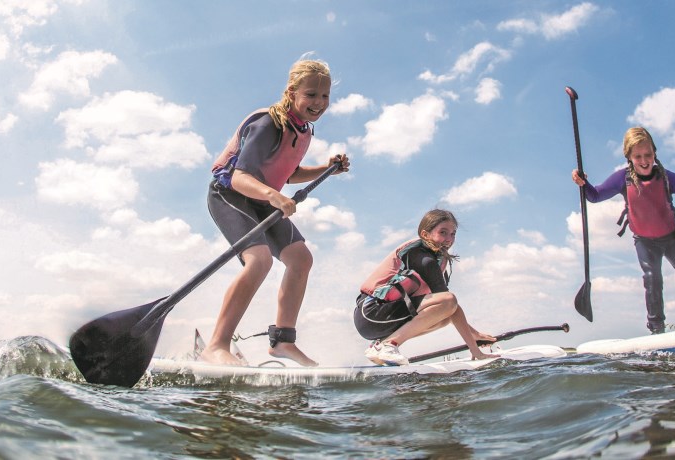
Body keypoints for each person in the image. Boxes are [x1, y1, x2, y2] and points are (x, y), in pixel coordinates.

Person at [200, 58, 350, 366]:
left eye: (324, 96)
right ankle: (216, 346)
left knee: (301, 259)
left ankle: (283, 342)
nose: (319, 102)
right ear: (292, 92)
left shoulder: (302, 130)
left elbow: (288, 173)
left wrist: (326, 169)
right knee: (259, 261)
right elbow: (240, 177)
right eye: (311, 94)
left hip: (263, 199)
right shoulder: (268, 123)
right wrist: (274, 195)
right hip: (231, 195)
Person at [571, 126, 675, 334]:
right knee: (652, 277)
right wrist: (583, 183)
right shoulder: (622, 179)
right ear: (629, 157)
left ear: (654, 153)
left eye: (648, 154)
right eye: (638, 156)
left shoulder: (666, 177)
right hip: (645, 242)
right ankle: (656, 329)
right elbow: (595, 196)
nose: (644, 160)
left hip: (673, 237)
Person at [354, 209, 497, 365]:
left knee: (445, 317)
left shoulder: (434, 258)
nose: (449, 239)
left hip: (377, 319)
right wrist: (474, 345)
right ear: (425, 234)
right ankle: (390, 345)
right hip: (371, 313)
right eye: (443, 232)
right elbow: (449, 303)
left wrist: (474, 340)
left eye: (453, 234)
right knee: (448, 301)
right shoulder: (423, 259)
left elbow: (451, 310)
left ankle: (380, 345)